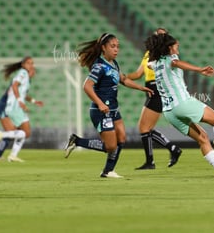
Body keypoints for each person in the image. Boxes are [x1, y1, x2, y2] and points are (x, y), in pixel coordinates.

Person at [146, 33, 214, 179]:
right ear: (170, 48)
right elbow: (176, 63)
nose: (178, 48)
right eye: (176, 45)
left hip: (170, 112)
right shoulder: (171, 58)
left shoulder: (155, 64)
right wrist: (199, 69)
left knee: (202, 138)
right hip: (183, 103)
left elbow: (149, 63)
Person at [64, 33, 153, 178]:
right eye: (113, 46)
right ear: (103, 48)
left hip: (113, 109)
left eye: (117, 46)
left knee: (122, 138)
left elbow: (123, 79)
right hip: (101, 110)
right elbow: (87, 86)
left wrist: (141, 87)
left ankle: (108, 171)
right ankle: (77, 141)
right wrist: (99, 103)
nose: (116, 49)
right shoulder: (99, 66)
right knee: (110, 146)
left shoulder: (114, 64)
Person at [127, 28, 182, 170]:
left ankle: (166, 152)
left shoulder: (164, 55)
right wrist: (123, 77)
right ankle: (164, 153)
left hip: (157, 90)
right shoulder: (148, 54)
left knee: (144, 128)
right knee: (145, 128)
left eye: (162, 34)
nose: (158, 36)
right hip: (151, 90)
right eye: (157, 34)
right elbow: (139, 73)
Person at [0, 56, 44, 162]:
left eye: (33, 64)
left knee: (18, 133)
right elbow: (14, 86)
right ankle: (1, 148)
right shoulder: (23, 73)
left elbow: (22, 93)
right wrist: (20, 101)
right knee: (17, 133)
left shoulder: (27, 80)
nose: (32, 67)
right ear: (23, 64)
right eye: (29, 63)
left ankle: (7, 154)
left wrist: (34, 101)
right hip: (9, 106)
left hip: (12, 106)